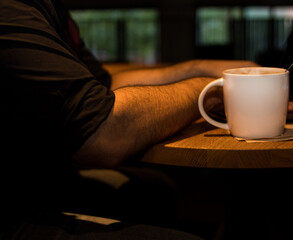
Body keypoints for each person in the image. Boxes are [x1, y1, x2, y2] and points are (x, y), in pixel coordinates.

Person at [0, 0, 260, 239]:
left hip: (49, 179)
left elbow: (105, 85)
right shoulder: (11, 8)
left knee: (154, 191)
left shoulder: (51, 7)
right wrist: (211, 92)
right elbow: (103, 135)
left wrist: (199, 68)